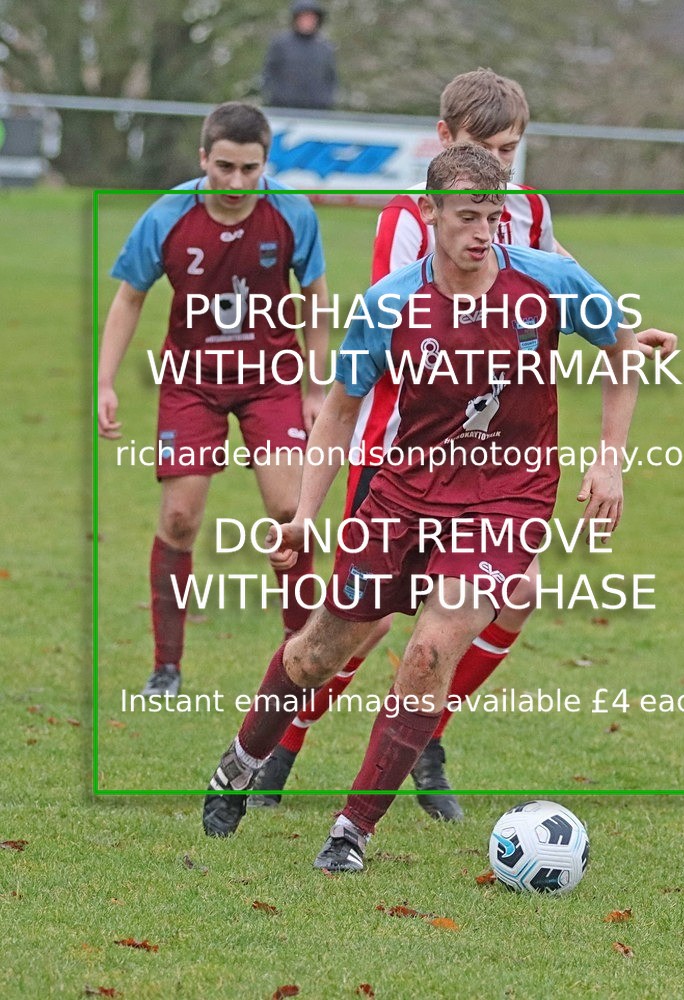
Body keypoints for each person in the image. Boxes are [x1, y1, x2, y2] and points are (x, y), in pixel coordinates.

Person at [203, 142, 641, 874]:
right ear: (428, 213)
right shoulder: (388, 303)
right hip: (403, 493)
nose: (482, 232)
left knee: (429, 651)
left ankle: (352, 829)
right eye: (466, 216)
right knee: (317, 653)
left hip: (508, 496)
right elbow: (339, 413)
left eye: (492, 217)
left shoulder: (550, 281)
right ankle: (243, 759)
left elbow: (621, 349)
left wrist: (609, 457)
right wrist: (305, 514)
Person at [98, 102, 329, 697]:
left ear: (265, 164)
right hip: (191, 380)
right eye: (223, 166)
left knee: (288, 513)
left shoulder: (293, 214)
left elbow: (318, 299)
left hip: (271, 378)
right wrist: (106, 380)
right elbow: (129, 298)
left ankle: (300, 659)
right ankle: (166, 666)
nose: (235, 181)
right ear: (203, 158)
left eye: (249, 168)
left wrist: (315, 386)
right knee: (179, 518)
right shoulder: (168, 215)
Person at [262, 0, 337, 111]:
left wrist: (326, 99)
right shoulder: (280, 44)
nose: (307, 21)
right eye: (304, 17)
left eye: (311, 18)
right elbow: (269, 73)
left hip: (317, 111)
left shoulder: (325, 48)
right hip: (283, 109)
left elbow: (331, 78)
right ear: (295, 19)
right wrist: (276, 96)